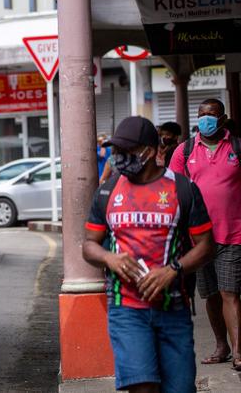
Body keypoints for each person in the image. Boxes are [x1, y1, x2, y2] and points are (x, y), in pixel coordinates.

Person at [83, 116, 215, 393]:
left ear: (151, 151)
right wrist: (110, 258)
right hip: (126, 310)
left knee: (179, 389)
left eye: (127, 151)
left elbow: (206, 245)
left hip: (173, 309)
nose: (118, 157)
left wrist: (173, 269)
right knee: (142, 386)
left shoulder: (183, 189)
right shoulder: (107, 192)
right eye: (116, 150)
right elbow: (89, 245)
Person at [169, 98, 241, 370]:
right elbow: (175, 192)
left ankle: (238, 352)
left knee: (230, 292)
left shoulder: (236, 146)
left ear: (222, 119)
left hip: (233, 233)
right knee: (210, 294)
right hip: (198, 239)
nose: (205, 119)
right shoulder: (184, 151)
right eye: (201, 115)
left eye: (210, 115)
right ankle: (221, 346)